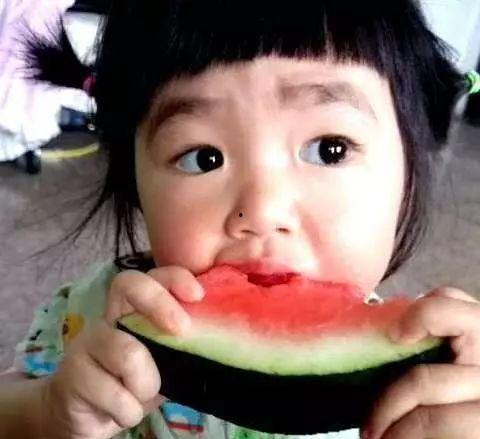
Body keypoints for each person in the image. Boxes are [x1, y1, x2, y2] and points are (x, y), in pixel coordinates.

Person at [1, 1, 480, 438]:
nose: (263, 211)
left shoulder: (426, 366)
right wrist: (47, 413)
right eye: (203, 158)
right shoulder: (89, 316)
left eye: (329, 149)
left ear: (410, 171)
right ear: (135, 183)